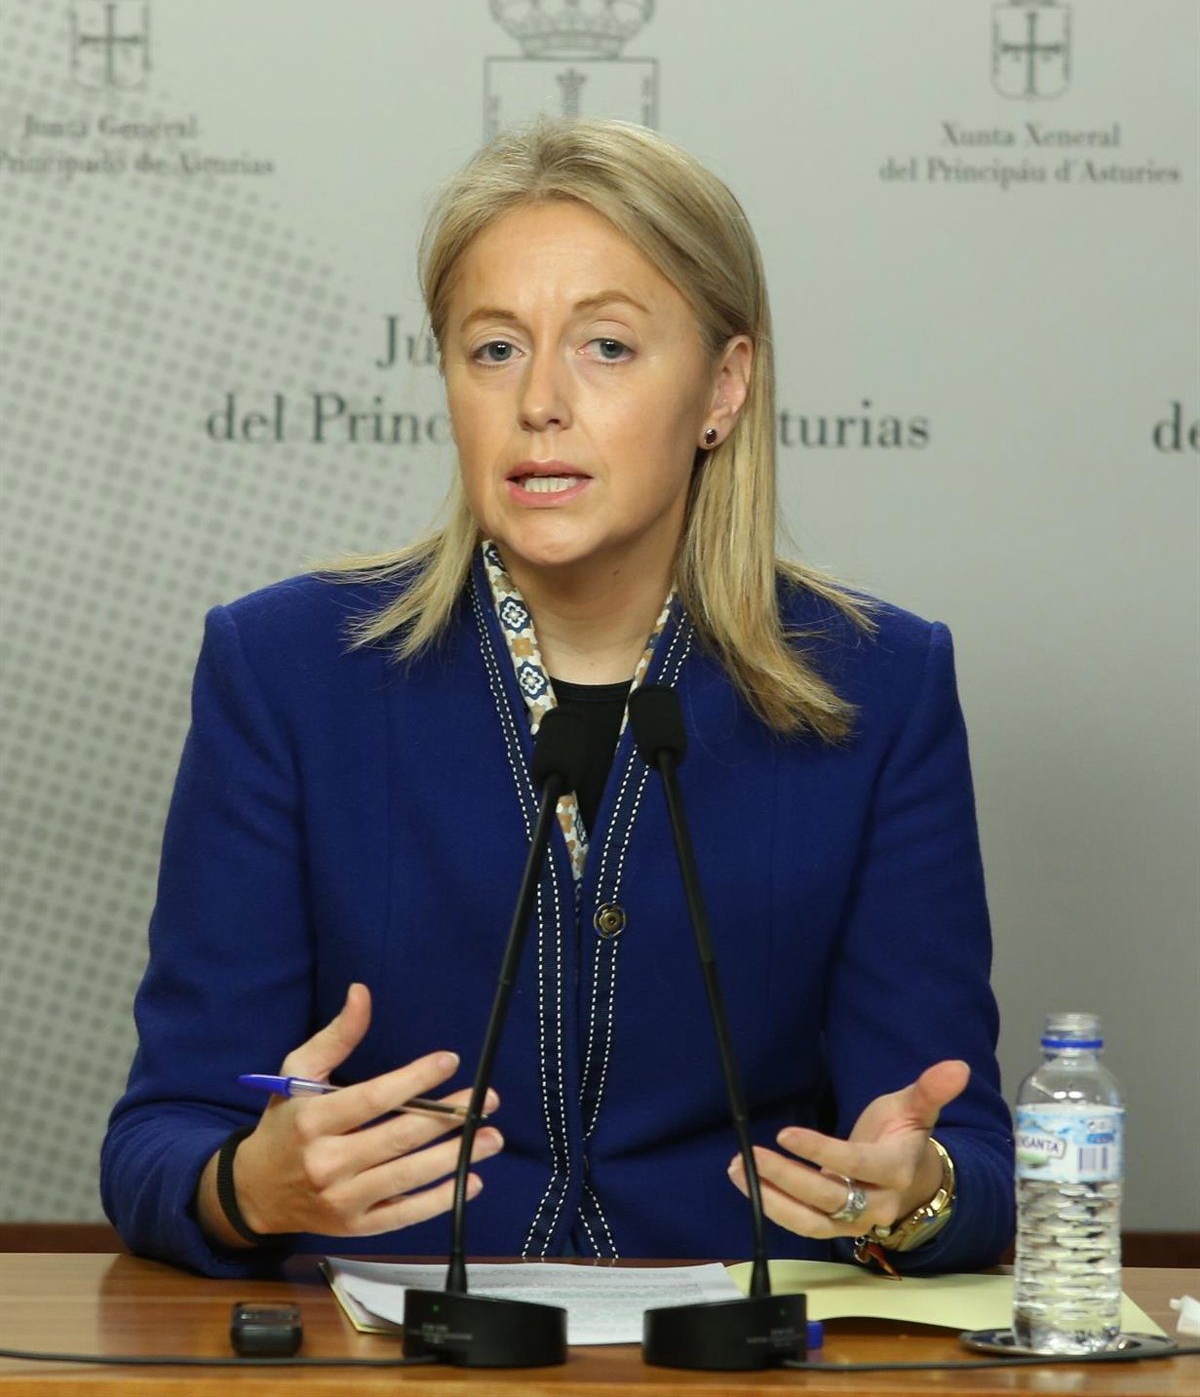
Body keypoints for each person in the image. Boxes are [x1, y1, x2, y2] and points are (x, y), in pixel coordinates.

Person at [101, 117, 1015, 1279]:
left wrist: (918, 1197)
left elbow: (966, 1163)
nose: (539, 400)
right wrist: (246, 1185)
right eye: (493, 349)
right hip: (388, 1346)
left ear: (723, 386)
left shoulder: (877, 685)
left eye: (607, 347)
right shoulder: (286, 670)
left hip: (733, 1341)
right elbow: (160, 1142)